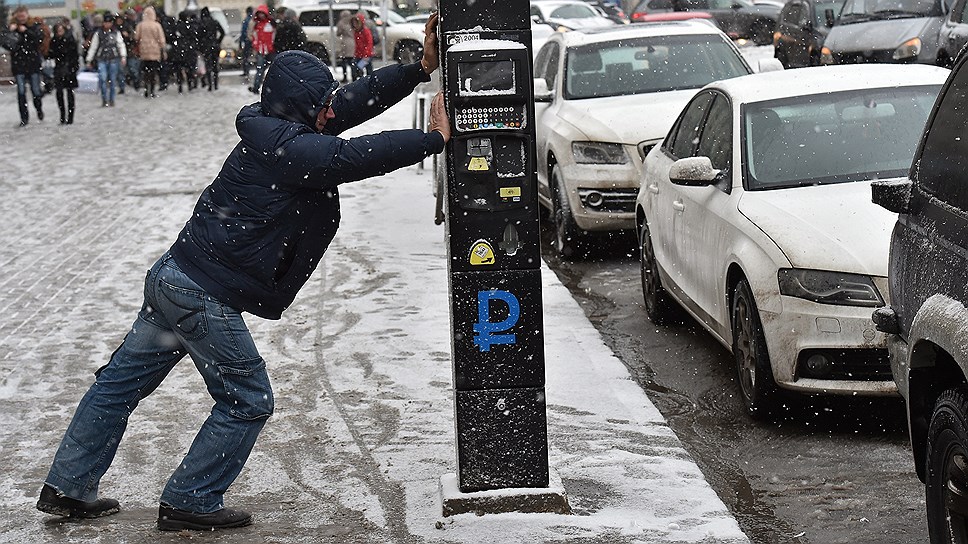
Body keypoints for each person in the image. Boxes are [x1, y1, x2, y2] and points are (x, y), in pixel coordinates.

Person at [35, 14, 448, 533]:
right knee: (248, 399)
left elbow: (346, 104)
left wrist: (419, 69)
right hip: (203, 294)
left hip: (175, 277)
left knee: (117, 387)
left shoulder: (277, 125)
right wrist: (431, 140)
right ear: (300, 105)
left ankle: (67, 486)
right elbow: (349, 156)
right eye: (321, 104)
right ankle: (191, 497)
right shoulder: (292, 149)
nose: (330, 111)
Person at [7, 6, 45, 126]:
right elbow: (6, 43)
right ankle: (24, 118)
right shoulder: (12, 27)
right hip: (19, 65)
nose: (21, 17)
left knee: (35, 90)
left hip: (32, 63)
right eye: (19, 15)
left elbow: (39, 40)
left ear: (27, 14)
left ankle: (39, 109)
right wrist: (10, 32)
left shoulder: (33, 26)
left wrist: (26, 32)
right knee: (21, 92)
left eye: (23, 14)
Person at [86, 12, 126, 107]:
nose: (107, 24)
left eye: (109, 22)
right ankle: (104, 99)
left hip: (113, 58)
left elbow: (121, 45)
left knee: (112, 80)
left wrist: (123, 56)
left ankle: (111, 99)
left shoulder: (116, 32)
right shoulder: (98, 33)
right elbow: (94, 47)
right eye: (105, 22)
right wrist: (89, 59)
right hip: (102, 59)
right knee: (103, 79)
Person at [48, 22, 79, 124]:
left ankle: (70, 117)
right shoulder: (54, 41)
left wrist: (74, 67)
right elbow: (51, 54)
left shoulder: (70, 40)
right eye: (58, 31)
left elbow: (75, 55)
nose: (60, 32)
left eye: (61, 30)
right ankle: (62, 115)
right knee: (59, 93)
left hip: (69, 69)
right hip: (59, 69)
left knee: (70, 93)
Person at [135, 6, 166, 98]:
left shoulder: (140, 25)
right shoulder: (157, 25)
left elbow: (136, 37)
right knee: (153, 72)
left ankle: (146, 89)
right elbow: (161, 40)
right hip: (155, 51)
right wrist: (163, 49)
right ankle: (152, 91)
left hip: (144, 51)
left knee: (145, 72)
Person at [247, 4, 274, 94]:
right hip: (261, 50)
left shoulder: (270, 23)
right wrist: (256, 45)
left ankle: (267, 88)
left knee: (270, 69)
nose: (261, 15)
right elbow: (251, 35)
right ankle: (256, 87)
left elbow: (274, 36)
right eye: (260, 14)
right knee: (260, 70)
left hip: (270, 50)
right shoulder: (256, 24)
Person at [197, 7, 225, 91]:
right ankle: (216, 84)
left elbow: (198, 36)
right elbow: (222, 32)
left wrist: (201, 46)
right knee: (215, 65)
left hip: (206, 47)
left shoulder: (201, 23)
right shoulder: (214, 22)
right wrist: (217, 41)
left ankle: (210, 85)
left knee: (208, 66)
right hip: (215, 46)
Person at [119, 9, 140, 92]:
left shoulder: (134, 24)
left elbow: (135, 37)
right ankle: (125, 85)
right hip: (125, 48)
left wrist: (129, 36)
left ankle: (136, 83)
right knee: (124, 70)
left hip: (131, 49)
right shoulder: (124, 24)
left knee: (132, 68)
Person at [351, 12, 373, 81]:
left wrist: (366, 55)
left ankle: (368, 81)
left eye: (356, 23)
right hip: (359, 54)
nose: (355, 25)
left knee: (363, 68)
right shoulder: (356, 32)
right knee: (356, 68)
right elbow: (357, 45)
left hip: (366, 55)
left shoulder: (365, 31)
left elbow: (369, 43)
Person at [335, 10, 355, 83]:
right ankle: (354, 76)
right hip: (353, 42)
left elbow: (338, 33)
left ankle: (345, 77)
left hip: (345, 43)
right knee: (352, 62)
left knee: (344, 62)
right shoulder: (352, 21)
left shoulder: (341, 23)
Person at [238, 6, 253, 79]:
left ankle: (246, 71)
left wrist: (241, 43)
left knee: (245, 57)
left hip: (247, 41)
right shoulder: (254, 20)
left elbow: (243, 32)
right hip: (254, 41)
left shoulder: (246, 20)